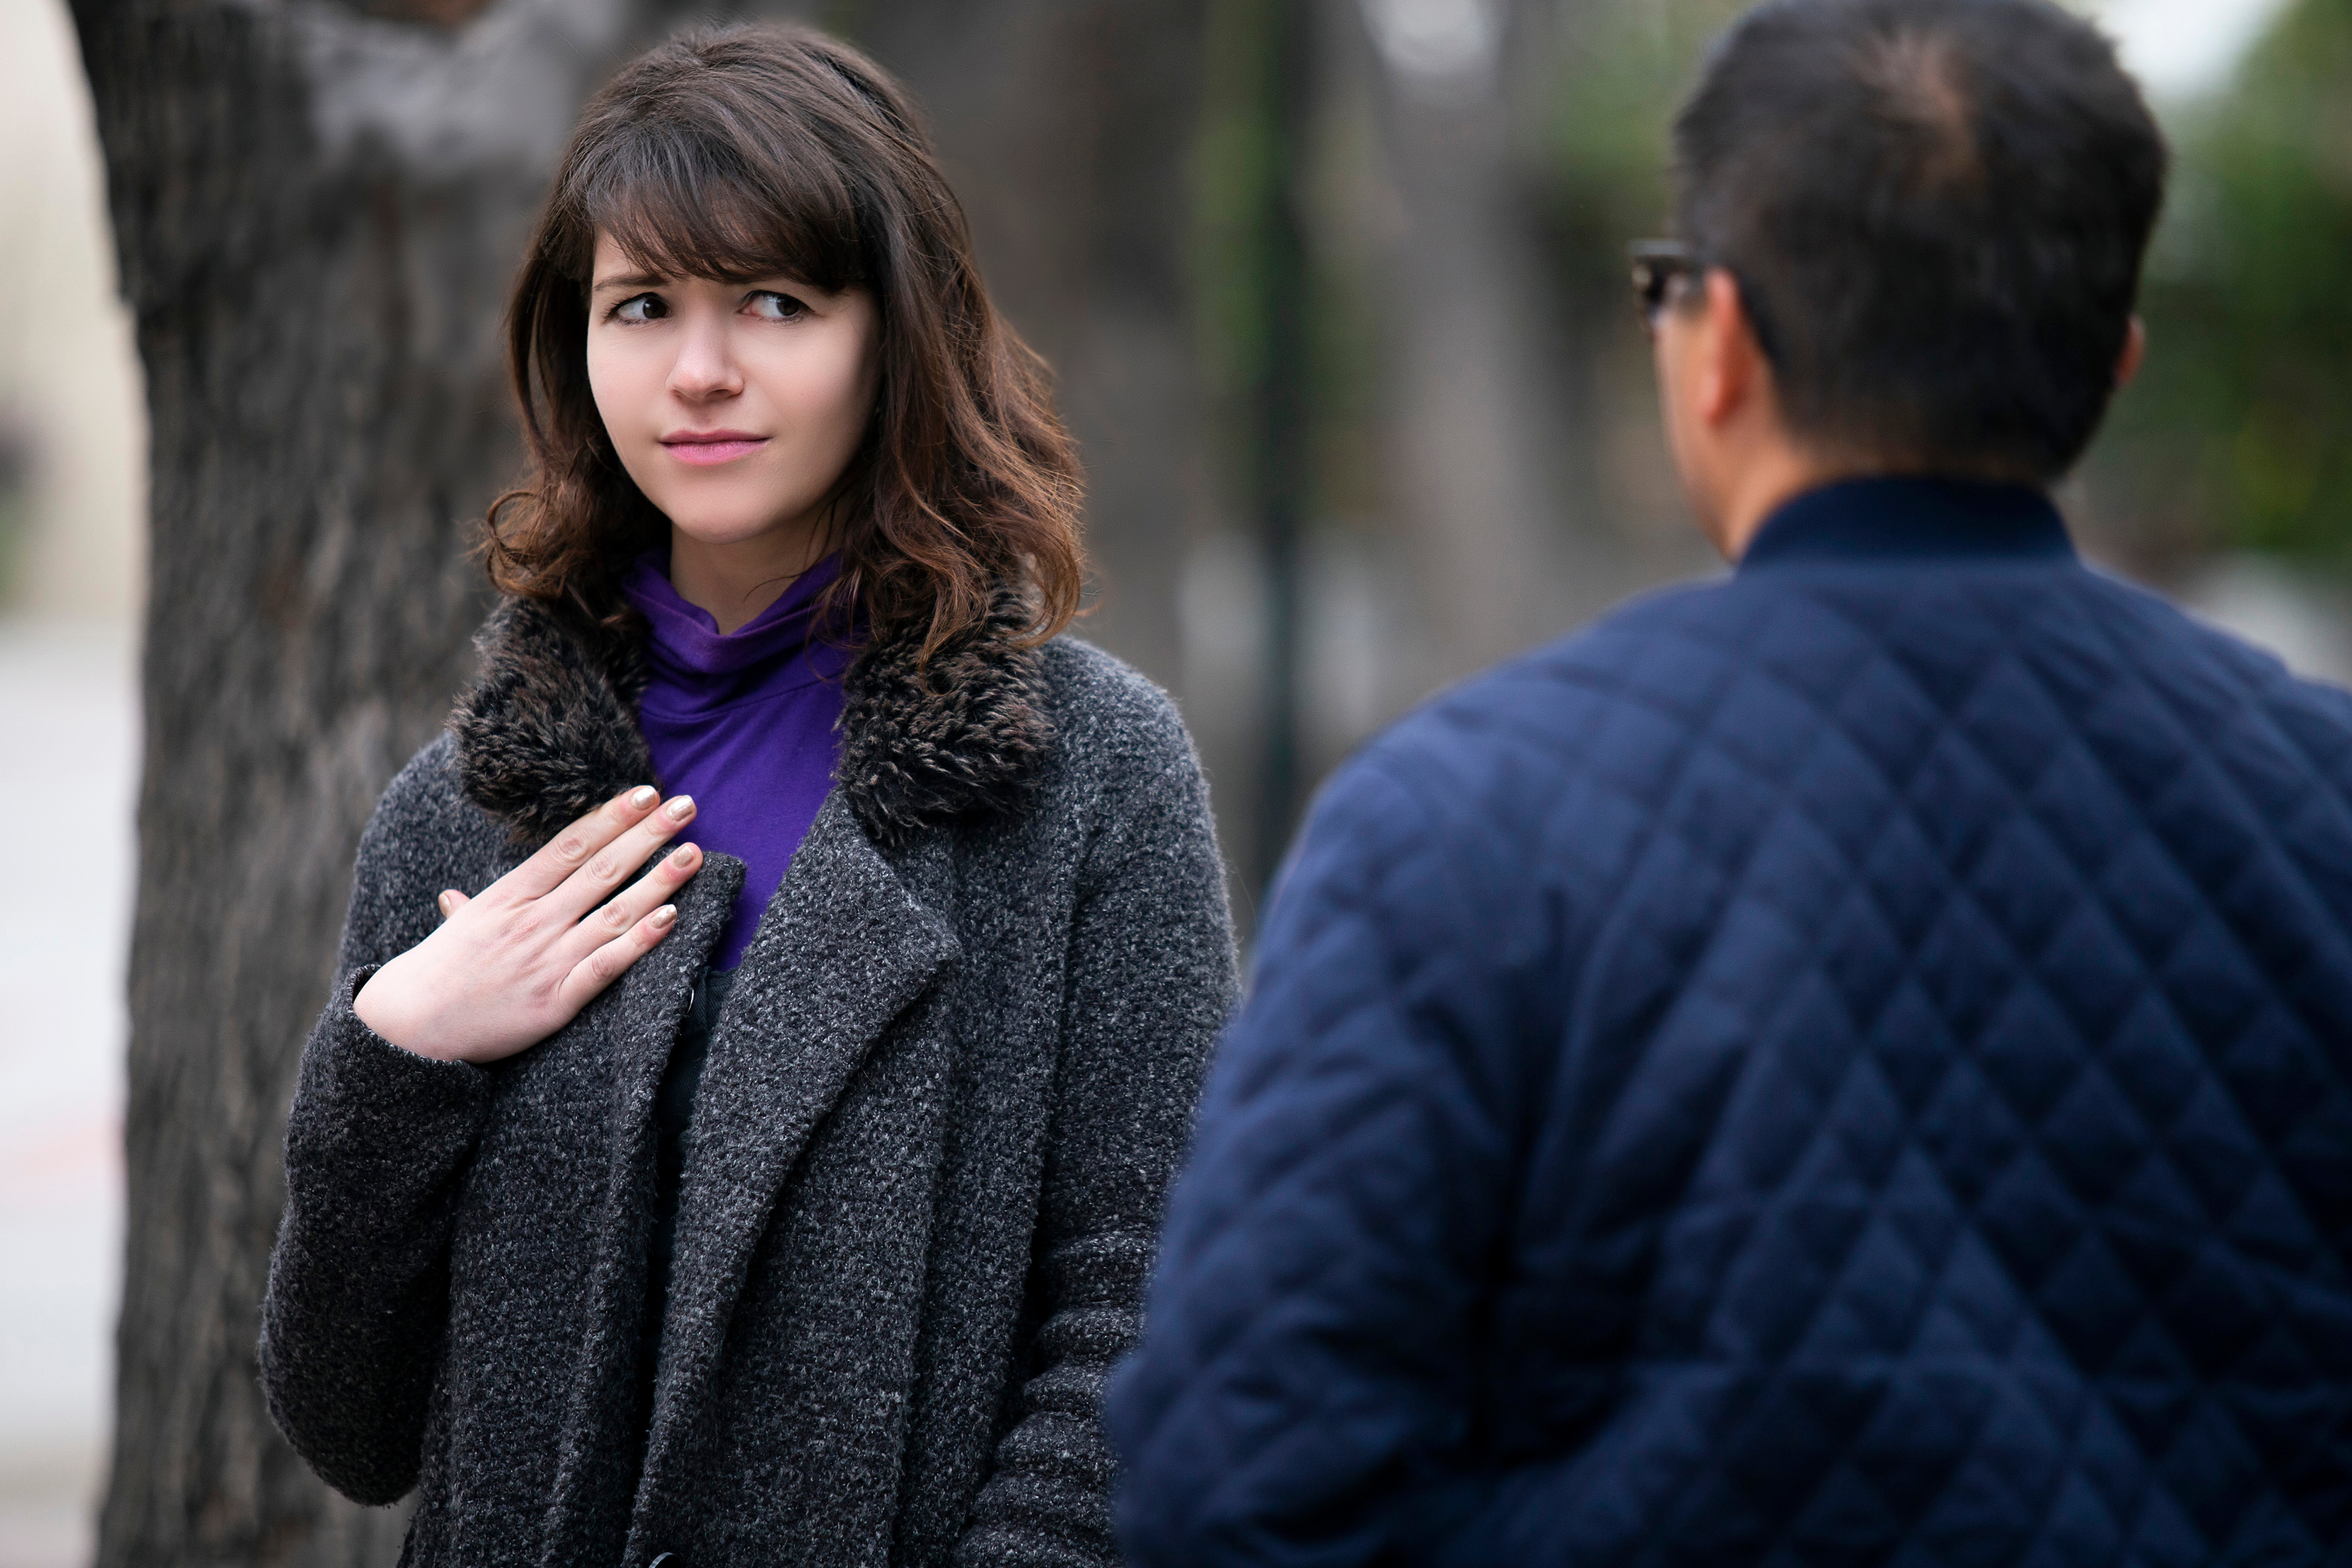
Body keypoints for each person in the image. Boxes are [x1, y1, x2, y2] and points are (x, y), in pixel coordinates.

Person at [1108, 1, 2352, 1563]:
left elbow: (1233, 1479)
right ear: (2110, 366)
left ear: (1725, 344)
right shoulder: (2322, 805)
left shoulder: (1458, 818)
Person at [259, 25, 1236, 1568]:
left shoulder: (1089, 777)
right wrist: (393, 1060)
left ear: (893, 332)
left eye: (775, 302)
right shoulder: (465, 811)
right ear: (575, 346)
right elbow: (349, 1428)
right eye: (641, 306)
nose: (699, 371)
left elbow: (1151, 1307)